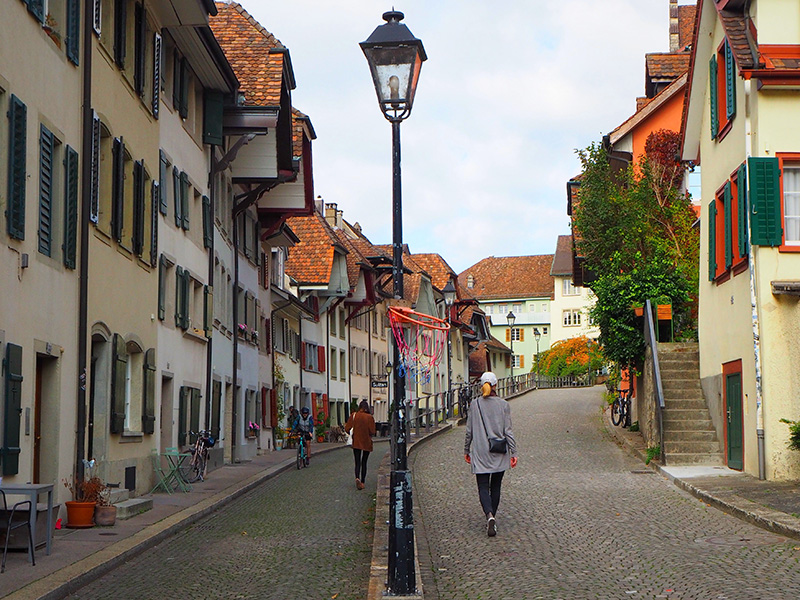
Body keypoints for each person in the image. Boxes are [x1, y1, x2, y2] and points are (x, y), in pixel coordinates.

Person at [464, 371, 518, 537]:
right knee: (495, 486)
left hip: (480, 452)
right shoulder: (503, 405)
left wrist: (466, 449)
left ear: (481, 386)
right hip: (499, 451)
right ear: (496, 385)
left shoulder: (475, 404)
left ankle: (489, 516)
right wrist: (514, 451)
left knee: (482, 486)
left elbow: (469, 431)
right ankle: (492, 516)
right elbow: (508, 431)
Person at [344, 400, 376, 490]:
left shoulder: (354, 415)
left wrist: (353, 433)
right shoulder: (369, 417)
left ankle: (357, 477)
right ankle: (362, 481)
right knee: (364, 462)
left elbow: (347, 428)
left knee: (357, 462)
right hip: (366, 442)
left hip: (356, 442)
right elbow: (372, 431)